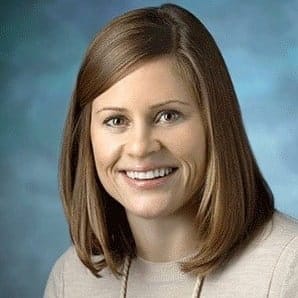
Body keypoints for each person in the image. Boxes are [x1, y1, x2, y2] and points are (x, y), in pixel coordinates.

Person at [44, 3, 298, 297]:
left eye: (168, 116)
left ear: (214, 123)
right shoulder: (70, 280)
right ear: (86, 135)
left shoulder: (288, 270)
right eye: (116, 120)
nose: (140, 148)